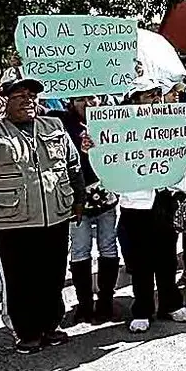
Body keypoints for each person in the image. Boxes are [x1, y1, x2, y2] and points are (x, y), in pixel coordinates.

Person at [0, 78, 85, 354]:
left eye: (32, 95)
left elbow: (73, 165)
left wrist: (78, 199)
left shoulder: (54, 125)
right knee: (20, 278)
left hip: (55, 214)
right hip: (11, 219)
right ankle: (26, 332)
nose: (28, 99)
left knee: (52, 274)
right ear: (4, 101)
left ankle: (50, 325)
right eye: (20, 95)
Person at [109, 77, 186, 333]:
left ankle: (170, 303)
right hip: (136, 204)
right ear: (134, 101)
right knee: (142, 261)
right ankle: (143, 309)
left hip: (166, 201)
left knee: (167, 258)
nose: (155, 100)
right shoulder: (119, 128)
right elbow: (110, 163)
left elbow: (184, 156)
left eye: (158, 95)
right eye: (148, 96)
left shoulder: (173, 124)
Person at [48, 95, 121, 324]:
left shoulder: (111, 120)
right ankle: (85, 303)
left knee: (108, 245)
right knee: (80, 249)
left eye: (93, 98)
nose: (88, 103)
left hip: (107, 194)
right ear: (71, 101)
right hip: (76, 196)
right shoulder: (61, 122)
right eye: (81, 99)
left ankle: (106, 301)